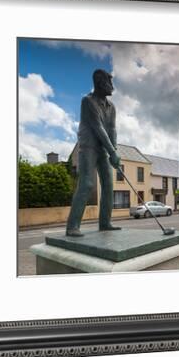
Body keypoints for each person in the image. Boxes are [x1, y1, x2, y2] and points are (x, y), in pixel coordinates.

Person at [65, 69, 122, 237]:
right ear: (99, 83)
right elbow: (97, 127)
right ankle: (72, 226)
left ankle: (105, 223)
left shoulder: (111, 107)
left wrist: (114, 151)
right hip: (89, 146)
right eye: (109, 83)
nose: (112, 87)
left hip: (103, 148)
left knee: (109, 184)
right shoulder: (88, 101)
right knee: (87, 183)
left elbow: (111, 129)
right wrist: (112, 151)